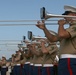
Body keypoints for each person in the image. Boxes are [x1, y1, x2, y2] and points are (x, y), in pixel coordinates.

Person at [36, 5, 76, 75]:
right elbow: (52, 39)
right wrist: (44, 28)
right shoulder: (67, 30)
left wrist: (61, 25)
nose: (64, 17)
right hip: (64, 60)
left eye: (66, 14)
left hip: (70, 59)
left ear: (74, 15)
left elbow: (61, 35)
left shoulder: (74, 27)